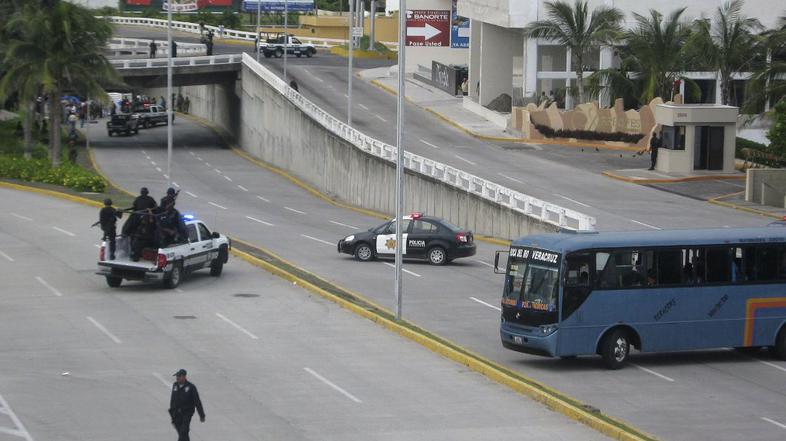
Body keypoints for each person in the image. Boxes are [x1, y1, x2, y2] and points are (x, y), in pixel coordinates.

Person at [169, 369, 205, 441]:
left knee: (183, 432)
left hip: (186, 414)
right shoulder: (175, 385)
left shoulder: (191, 387)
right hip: (176, 414)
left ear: (184, 376)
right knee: (183, 434)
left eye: (179, 376)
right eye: (177, 376)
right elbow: (172, 400)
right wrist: (172, 416)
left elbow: (197, 402)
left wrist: (202, 415)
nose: (177, 378)